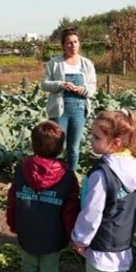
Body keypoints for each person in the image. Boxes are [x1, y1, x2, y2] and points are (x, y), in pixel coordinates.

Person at [71, 110, 136, 272]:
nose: (90, 140)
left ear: (115, 142)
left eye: (96, 137)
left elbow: (92, 212)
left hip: (102, 239)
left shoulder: (101, 174)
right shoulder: (135, 168)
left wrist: (80, 238)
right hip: (124, 238)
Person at [6, 121, 80, 272]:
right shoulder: (67, 176)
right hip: (53, 234)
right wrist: (72, 233)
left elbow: (13, 198)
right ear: (62, 148)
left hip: (27, 229)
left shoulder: (22, 169)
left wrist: (13, 223)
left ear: (32, 145)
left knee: (29, 265)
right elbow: (70, 209)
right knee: (49, 267)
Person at [41, 27, 97, 172]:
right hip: (60, 110)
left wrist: (82, 90)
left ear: (79, 43)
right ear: (63, 45)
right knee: (57, 145)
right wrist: (61, 84)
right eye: (69, 43)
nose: (73, 46)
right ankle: (54, 174)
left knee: (74, 147)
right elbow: (44, 84)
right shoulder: (55, 63)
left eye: (75, 42)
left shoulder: (87, 64)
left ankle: (71, 176)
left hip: (79, 109)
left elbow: (92, 87)